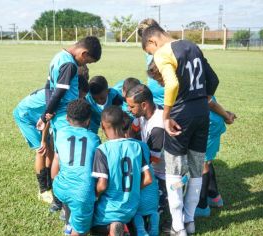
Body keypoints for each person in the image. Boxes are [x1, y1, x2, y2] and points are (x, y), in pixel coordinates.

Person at [141, 19, 219, 235]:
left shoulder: (163, 52)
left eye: (149, 50)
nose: (152, 55)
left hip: (179, 117)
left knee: (174, 172)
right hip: (202, 113)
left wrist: (166, 115)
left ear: (152, 41)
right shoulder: (193, 46)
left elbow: (172, 83)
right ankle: (189, 221)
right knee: (195, 170)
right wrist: (200, 101)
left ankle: (177, 227)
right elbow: (213, 80)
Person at [36, 36, 101, 212]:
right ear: (84, 53)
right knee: (66, 156)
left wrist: (49, 113)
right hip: (68, 116)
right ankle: (62, 200)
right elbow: (58, 93)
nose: (84, 64)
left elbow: (48, 86)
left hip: (58, 116)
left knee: (59, 153)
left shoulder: (57, 57)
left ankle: (59, 198)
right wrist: (44, 116)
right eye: (87, 60)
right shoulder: (70, 64)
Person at [13, 65, 92, 206]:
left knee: (50, 147)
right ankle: (43, 191)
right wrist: (43, 140)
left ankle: (51, 184)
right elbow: (47, 118)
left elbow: (49, 116)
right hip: (26, 117)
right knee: (42, 150)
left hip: (40, 117)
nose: (80, 99)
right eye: (81, 96)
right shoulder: (59, 97)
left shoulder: (63, 94)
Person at [91, 106, 152, 236]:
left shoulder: (103, 149)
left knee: (91, 226)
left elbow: (102, 185)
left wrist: (94, 196)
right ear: (122, 123)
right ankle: (127, 226)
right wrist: (132, 190)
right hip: (132, 207)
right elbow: (148, 179)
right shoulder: (136, 146)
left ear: (102, 125)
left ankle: (112, 228)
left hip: (109, 210)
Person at [51, 99, 101, 236]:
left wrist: (55, 183)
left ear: (67, 118)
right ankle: (72, 229)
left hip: (59, 186)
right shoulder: (95, 139)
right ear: (88, 120)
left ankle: (68, 221)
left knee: (68, 194)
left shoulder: (60, 133)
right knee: (81, 231)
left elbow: (56, 160)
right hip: (82, 193)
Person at [125, 84, 165, 235]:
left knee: (148, 208)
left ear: (144, 105)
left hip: (162, 174)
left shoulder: (158, 126)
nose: (129, 109)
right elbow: (132, 131)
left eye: (131, 106)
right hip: (149, 168)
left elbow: (153, 159)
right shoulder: (141, 115)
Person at [195, 97, 236, 217]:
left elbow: (209, 102)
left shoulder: (194, 78)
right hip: (210, 121)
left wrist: (226, 116)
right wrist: (225, 114)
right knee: (205, 162)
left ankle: (202, 206)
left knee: (202, 163)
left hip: (207, 124)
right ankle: (214, 197)